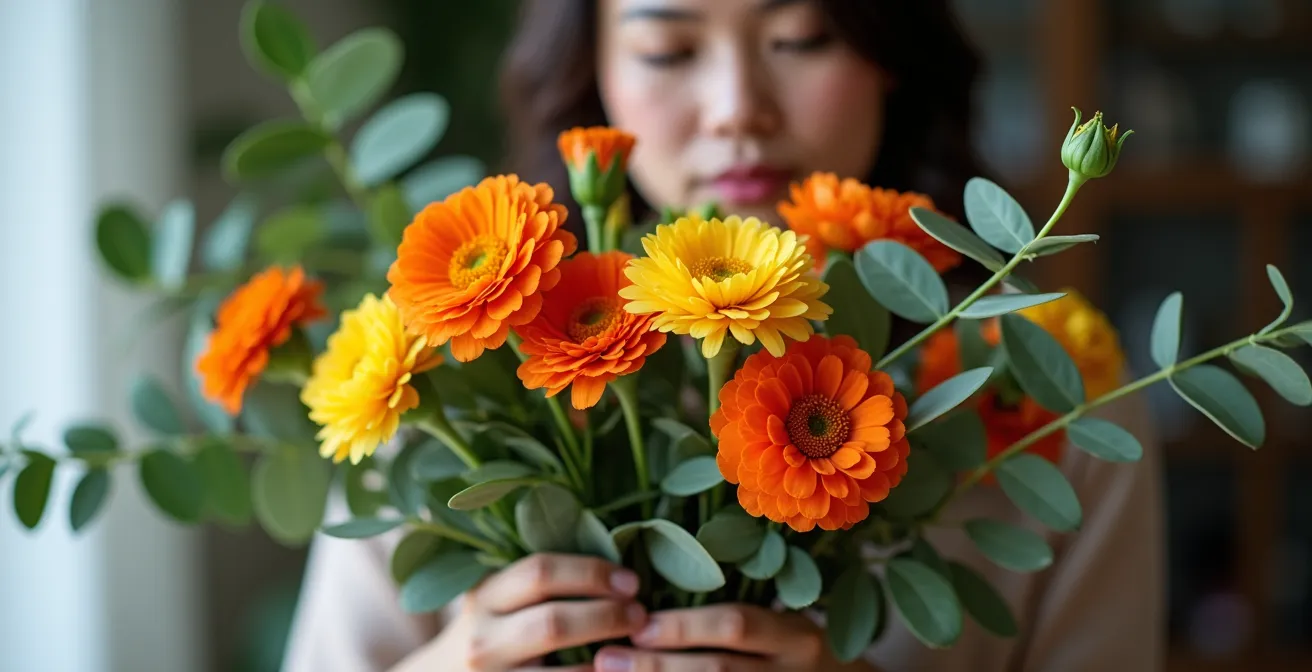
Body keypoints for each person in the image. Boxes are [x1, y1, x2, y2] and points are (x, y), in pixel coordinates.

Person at [281, 0, 1167, 670]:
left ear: (890, 49)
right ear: (592, 67)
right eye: (668, 48)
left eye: (801, 36)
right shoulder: (440, 386)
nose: (738, 107)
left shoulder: (1054, 398)